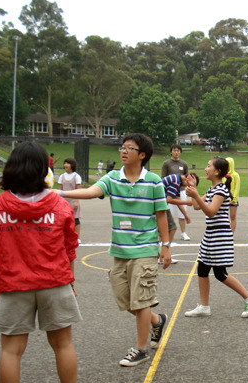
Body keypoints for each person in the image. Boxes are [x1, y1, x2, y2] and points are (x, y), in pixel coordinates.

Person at [0, 142, 82, 383]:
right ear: (43, 170)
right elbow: (70, 246)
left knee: (11, 350)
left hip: (13, 284)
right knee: (63, 345)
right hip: (55, 282)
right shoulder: (58, 204)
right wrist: (70, 280)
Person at [57, 134, 172, 367]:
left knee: (141, 300)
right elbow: (91, 192)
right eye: (123, 147)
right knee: (126, 301)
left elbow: (161, 214)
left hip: (145, 248)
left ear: (142, 155)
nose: (124, 151)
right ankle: (156, 321)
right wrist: (59, 193)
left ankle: (140, 349)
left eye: (130, 148)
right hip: (120, 250)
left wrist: (165, 246)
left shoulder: (153, 181)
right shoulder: (112, 178)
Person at [184, 157, 248, 317]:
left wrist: (196, 195)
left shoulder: (221, 190)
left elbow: (211, 212)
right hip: (211, 233)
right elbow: (197, 206)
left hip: (219, 234)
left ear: (217, 171)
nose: (205, 168)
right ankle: (204, 306)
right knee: (202, 269)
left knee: (220, 273)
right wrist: (193, 189)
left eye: (208, 166)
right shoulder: (212, 190)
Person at [162, 173, 199, 264]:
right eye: (191, 184)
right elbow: (169, 199)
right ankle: (163, 255)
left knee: (168, 230)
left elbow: (177, 200)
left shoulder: (178, 181)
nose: (190, 187)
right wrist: (187, 202)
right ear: (187, 179)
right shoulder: (175, 181)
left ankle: (162, 255)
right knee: (171, 229)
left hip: (160, 205)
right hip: (158, 206)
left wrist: (186, 215)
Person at [162, 144, 191, 241]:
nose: (176, 152)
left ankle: (183, 233)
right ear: (171, 151)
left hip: (180, 190)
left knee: (181, 213)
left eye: (178, 151)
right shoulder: (167, 163)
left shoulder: (184, 164)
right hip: (169, 190)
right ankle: (165, 232)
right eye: (174, 150)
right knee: (168, 212)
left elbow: (186, 176)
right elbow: (163, 176)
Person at [58, 158, 83, 238]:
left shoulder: (76, 176)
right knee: (63, 219)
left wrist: (76, 202)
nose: (65, 165)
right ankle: (65, 236)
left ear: (72, 165)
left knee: (75, 219)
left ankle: (76, 237)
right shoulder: (62, 176)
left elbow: (78, 190)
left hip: (73, 200)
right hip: (64, 200)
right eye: (65, 163)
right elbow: (60, 190)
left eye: (68, 163)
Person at [225, 157, 241, 233]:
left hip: (233, 199)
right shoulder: (223, 175)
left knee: (233, 216)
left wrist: (233, 199)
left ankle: (231, 233)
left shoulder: (235, 175)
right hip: (224, 199)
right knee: (223, 217)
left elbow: (237, 188)